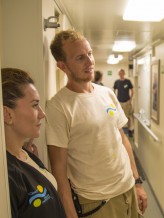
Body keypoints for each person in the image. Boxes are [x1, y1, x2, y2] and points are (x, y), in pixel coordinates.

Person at [46, 30, 147, 218]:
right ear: (62, 66)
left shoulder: (107, 93)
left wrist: (137, 181)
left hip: (128, 189)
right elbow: (59, 173)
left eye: (90, 53)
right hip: (98, 203)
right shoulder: (58, 107)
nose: (90, 61)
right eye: (80, 58)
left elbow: (123, 140)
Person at [1, 68, 66, 218]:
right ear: (7, 114)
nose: (42, 114)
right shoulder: (6, 176)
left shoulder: (26, 154)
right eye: (35, 105)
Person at [113, 69, 134, 137]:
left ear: (124, 73)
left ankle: (129, 130)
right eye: (120, 73)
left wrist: (130, 100)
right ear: (118, 74)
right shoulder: (117, 82)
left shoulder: (128, 81)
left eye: (122, 73)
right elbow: (114, 91)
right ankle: (120, 131)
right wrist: (115, 100)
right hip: (119, 102)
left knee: (128, 117)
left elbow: (132, 90)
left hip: (127, 102)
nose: (121, 74)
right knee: (118, 117)